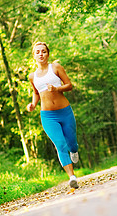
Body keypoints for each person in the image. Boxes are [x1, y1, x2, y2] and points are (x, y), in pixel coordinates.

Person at [26, 42, 79, 189]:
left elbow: (69, 85)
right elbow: (36, 93)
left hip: (65, 112)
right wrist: (33, 105)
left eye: (43, 51)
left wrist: (57, 88)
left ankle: (74, 150)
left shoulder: (55, 67)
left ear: (47, 54)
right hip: (48, 116)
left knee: (71, 142)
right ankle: (72, 177)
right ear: (34, 56)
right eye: (38, 52)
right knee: (60, 145)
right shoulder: (32, 76)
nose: (41, 54)